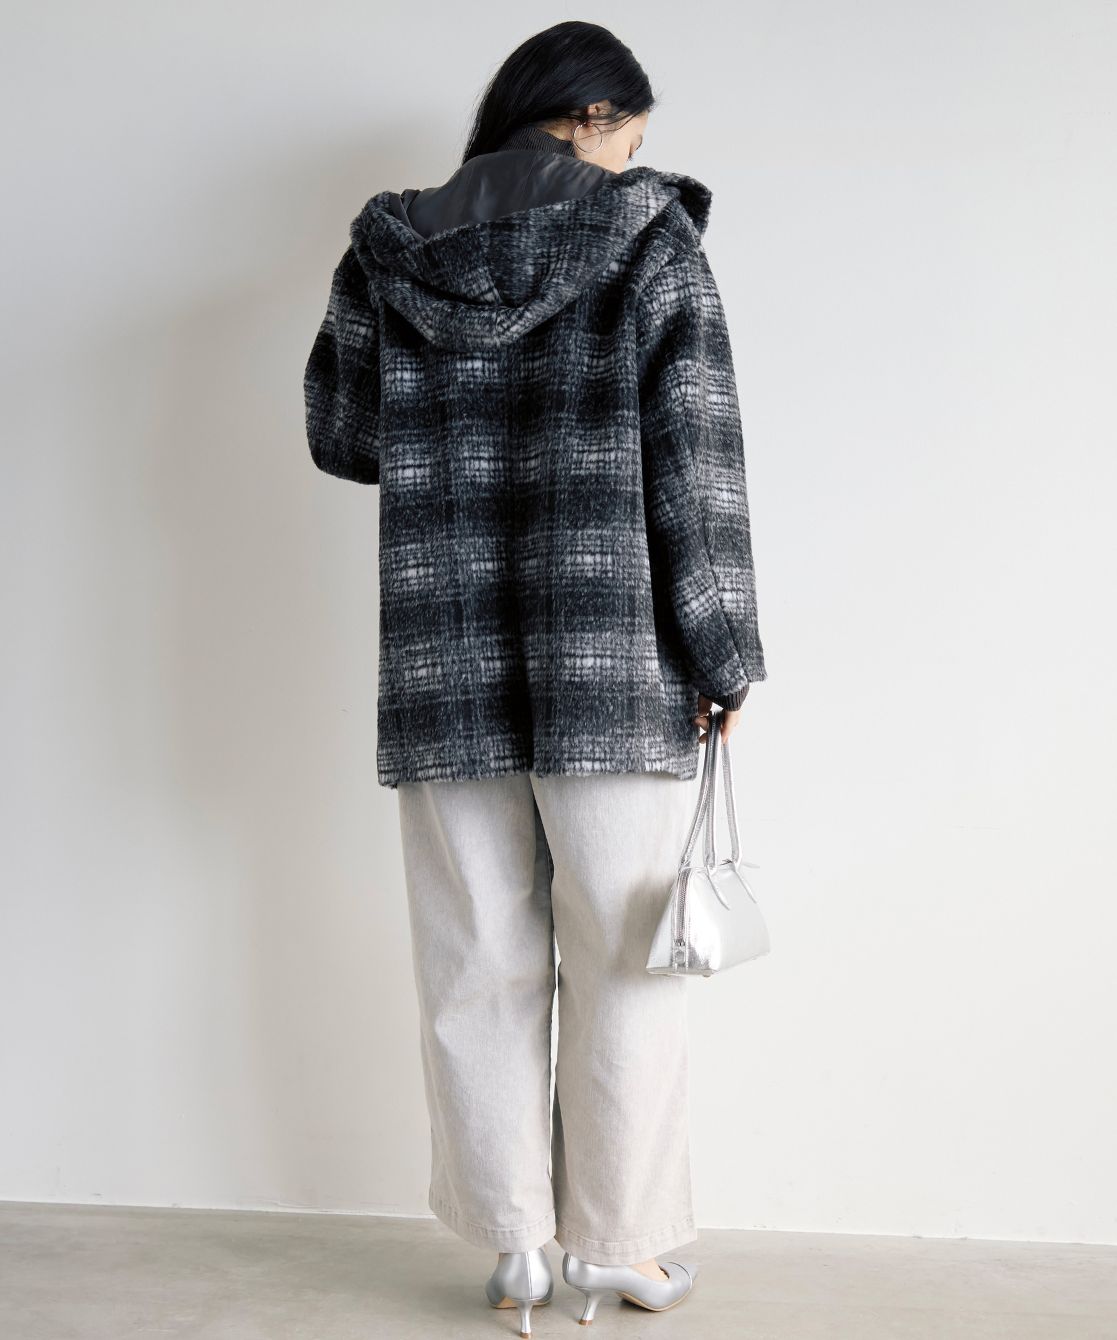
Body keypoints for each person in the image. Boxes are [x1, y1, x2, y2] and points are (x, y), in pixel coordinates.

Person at [303, 19, 767, 1334]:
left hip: (442, 657)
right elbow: (695, 460)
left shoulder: (390, 246)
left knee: (476, 963)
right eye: (630, 134)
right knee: (625, 963)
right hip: (613, 660)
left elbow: (344, 434)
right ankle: (616, 1248)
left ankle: (513, 1246)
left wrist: (456, 425)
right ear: (588, 115)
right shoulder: (648, 237)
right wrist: (724, 651)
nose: (630, 157)